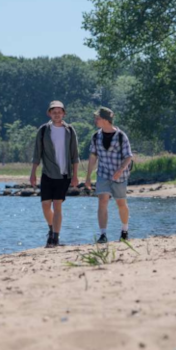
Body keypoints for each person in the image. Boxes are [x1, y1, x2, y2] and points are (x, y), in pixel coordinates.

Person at [30, 101, 79, 248]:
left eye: (59, 111)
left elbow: (75, 155)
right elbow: (36, 154)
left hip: (64, 174)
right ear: (49, 114)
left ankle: (55, 238)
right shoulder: (43, 130)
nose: (57, 114)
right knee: (45, 205)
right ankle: (51, 229)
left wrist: (75, 175)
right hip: (47, 173)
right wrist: (33, 173)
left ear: (63, 113)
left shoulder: (70, 130)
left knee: (58, 205)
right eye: (54, 111)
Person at [84, 107, 134, 243]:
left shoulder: (121, 136)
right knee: (102, 201)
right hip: (103, 174)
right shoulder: (96, 136)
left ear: (106, 120)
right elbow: (93, 157)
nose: (95, 120)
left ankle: (124, 231)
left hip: (120, 175)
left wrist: (120, 170)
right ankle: (103, 234)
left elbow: (128, 156)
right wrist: (88, 177)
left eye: (97, 118)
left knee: (121, 203)